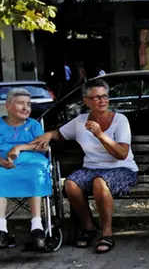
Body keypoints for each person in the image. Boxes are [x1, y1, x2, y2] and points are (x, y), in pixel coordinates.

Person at [31, 80, 138, 254]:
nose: (102, 101)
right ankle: (89, 228)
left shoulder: (120, 120)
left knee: (99, 183)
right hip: (92, 169)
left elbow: (122, 154)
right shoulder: (80, 121)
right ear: (86, 101)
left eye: (105, 96)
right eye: (96, 97)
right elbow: (60, 134)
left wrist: (100, 135)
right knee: (71, 185)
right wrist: (48, 135)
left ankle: (107, 233)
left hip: (121, 168)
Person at [0, 88, 52, 252]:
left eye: (28, 104)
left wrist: (20, 147)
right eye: (21, 103)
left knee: (36, 175)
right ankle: (0, 229)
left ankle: (37, 228)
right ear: (7, 106)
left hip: (32, 165)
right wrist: (1, 161)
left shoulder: (34, 125)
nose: (26, 108)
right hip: (2, 165)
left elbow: (42, 146)